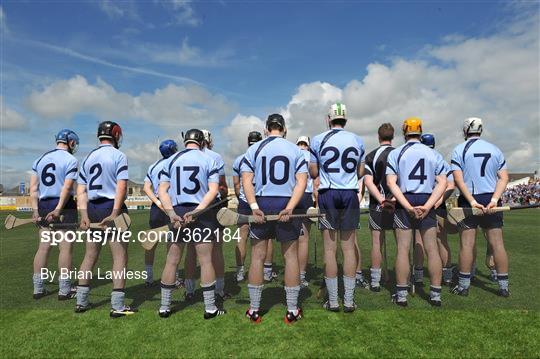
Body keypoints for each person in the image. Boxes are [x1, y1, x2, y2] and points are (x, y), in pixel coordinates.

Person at [241, 114, 307, 324]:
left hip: (261, 202)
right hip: (286, 202)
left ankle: (254, 309)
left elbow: (246, 180)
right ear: (284, 129)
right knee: (290, 257)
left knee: (257, 256)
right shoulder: (295, 150)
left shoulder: (254, 149)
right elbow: (301, 182)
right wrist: (289, 207)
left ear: (266, 129)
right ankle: (292, 309)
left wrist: (254, 207)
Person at [157, 129, 226, 319]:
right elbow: (213, 190)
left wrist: (171, 212)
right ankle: (210, 307)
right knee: (205, 261)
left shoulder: (171, 160)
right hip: (201, 213)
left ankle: (164, 306)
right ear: (202, 142)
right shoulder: (208, 159)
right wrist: (198, 211)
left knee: (172, 260)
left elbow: (162, 191)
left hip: (177, 211)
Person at [75, 121, 136, 317]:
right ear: (116, 135)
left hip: (92, 208)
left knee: (90, 255)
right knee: (119, 256)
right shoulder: (119, 156)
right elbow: (121, 187)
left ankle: (81, 301)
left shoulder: (88, 157)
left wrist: (84, 215)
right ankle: (117, 305)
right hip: (111, 206)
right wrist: (115, 212)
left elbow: (81, 190)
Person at [309, 103, 365, 313]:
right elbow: (360, 171)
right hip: (350, 192)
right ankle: (349, 300)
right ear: (346, 119)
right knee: (349, 248)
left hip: (328, 193)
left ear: (328, 119)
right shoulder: (357, 139)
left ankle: (333, 301)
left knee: (330, 249)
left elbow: (314, 172)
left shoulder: (317, 139)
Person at [386, 117, 447, 307]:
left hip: (406, 200)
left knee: (403, 249)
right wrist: (428, 206)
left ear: (404, 131)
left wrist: (406, 206)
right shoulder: (433, 154)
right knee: (432, 249)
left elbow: (390, 183)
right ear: (420, 131)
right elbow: (443, 183)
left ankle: (402, 294)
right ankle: (436, 294)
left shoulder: (396, 153)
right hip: (426, 199)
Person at [450, 117, 510, 297]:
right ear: (481, 129)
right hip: (491, 198)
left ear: (465, 130)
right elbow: (504, 178)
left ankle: (463, 286)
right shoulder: (495, 149)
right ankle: (503, 287)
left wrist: (471, 201)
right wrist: (494, 199)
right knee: (497, 244)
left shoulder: (459, 150)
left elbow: (458, 180)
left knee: (467, 244)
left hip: (469, 200)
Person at [30, 129, 79, 300]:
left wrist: (35, 210)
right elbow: (66, 188)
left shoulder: (40, 159)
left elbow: (33, 189)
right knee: (65, 248)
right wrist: (59, 209)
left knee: (43, 248)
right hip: (64, 206)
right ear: (71, 142)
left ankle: (38, 288)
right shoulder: (71, 160)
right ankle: (64, 290)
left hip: (43, 205)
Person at [412, 133, 456, 286]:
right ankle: (447, 275)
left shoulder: (418, 156)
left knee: (419, 239)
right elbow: (451, 185)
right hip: (438, 203)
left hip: (423, 202)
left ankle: (418, 275)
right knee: (441, 241)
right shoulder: (440, 159)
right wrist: (438, 202)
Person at [363, 123, 396, 292]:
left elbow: (368, 182)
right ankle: (403, 280)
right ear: (393, 136)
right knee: (402, 245)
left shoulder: (371, 156)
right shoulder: (400, 154)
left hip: (378, 204)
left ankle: (375, 282)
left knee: (377, 243)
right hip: (399, 205)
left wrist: (381, 199)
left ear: (378, 136)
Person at [142, 140, 178, 287]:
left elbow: (146, 187)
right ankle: (173, 277)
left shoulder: (154, 165)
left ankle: (149, 277)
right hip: (171, 204)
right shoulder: (176, 163)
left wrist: (157, 203)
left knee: (152, 242)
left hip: (157, 206)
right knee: (172, 241)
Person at [232, 131, 263, 282]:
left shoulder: (239, 159)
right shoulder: (264, 156)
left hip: (245, 200)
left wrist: (242, 197)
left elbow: (237, 184)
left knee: (242, 236)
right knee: (265, 237)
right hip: (261, 199)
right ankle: (266, 270)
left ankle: (239, 271)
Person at [296, 136, 314, 288]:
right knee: (304, 239)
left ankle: (292, 273)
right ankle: (301, 276)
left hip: (293, 197)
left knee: (291, 238)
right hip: (307, 196)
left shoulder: (292, 153)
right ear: (308, 145)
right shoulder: (311, 156)